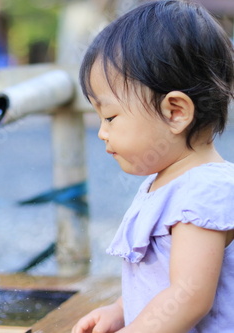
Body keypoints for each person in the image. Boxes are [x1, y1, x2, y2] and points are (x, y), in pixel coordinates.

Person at [71, 1, 234, 332]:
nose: (102, 132)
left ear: (175, 112)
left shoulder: (203, 191)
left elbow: (188, 297)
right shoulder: (170, 182)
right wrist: (120, 310)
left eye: (111, 117)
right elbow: (161, 280)